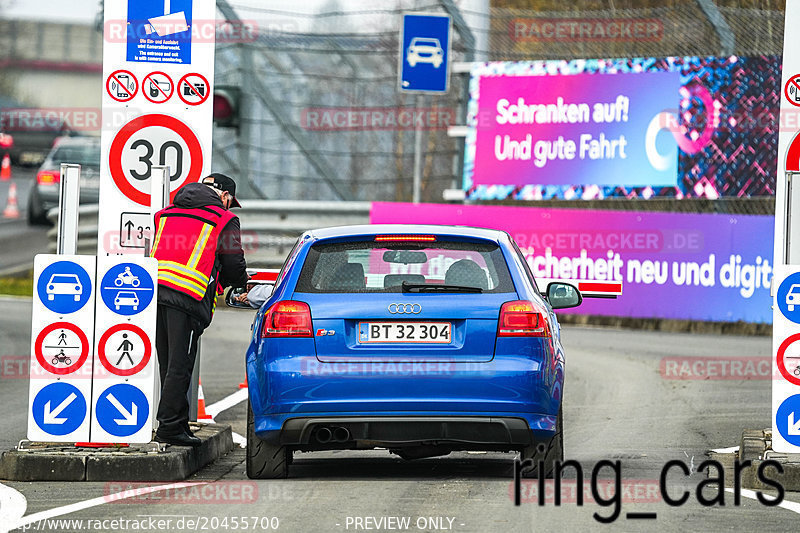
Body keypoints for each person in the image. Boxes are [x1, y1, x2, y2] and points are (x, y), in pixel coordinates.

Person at [150, 173, 248, 446]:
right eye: (230, 201)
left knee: (168, 362)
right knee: (181, 365)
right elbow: (232, 262)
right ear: (225, 197)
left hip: (154, 293)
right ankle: (170, 427)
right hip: (187, 296)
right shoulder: (225, 219)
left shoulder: (166, 214)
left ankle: (177, 423)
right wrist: (239, 283)